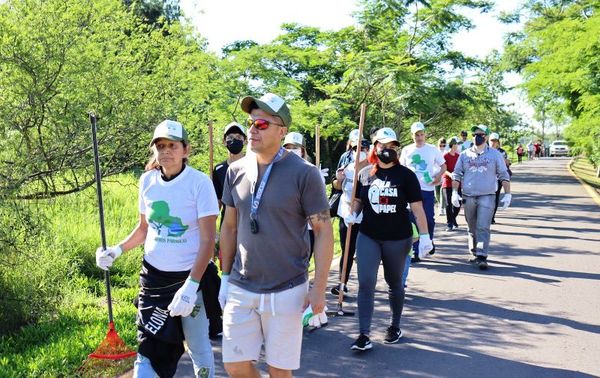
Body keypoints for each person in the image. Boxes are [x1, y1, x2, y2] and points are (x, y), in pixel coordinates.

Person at [218, 93, 334, 377]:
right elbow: (230, 226)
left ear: (282, 131)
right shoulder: (235, 171)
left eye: (261, 123)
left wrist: (318, 286)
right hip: (241, 285)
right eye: (250, 123)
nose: (252, 129)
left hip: (287, 289)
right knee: (235, 366)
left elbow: (323, 231)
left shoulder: (305, 174)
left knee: (279, 371)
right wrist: (223, 277)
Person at [95, 120, 219, 377]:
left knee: (198, 346)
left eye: (172, 145)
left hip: (190, 281)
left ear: (186, 149)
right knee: (148, 347)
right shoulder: (147, 181)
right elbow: (143, 229)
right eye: (160, 146)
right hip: (153, 281)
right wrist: (115, 251)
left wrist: (191, 285)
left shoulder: (200, 183)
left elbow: (208, 240)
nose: (165, 151)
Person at [344, 127, 432, 351]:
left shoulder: (407, 176)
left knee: (394, 283)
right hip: (369, 235)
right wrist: (352, 213)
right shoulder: (365, 174)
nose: (388, 150)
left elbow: (417, 207)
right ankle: (363, 334)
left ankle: (394, 326)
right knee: (365, 283)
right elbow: (358, 200)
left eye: (393, 146)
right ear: (375, 147)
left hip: (398, 238)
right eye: (383, 145)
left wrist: (424, 236)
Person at [451, 124, 511, 270]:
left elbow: (503, 174)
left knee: (482, 226)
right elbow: (457, 174)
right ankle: (474, 252)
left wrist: (507, 193)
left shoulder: (495, 155)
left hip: (487, 196)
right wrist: (454, 192)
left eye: (480, 134)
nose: (477, 137)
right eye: (475, 134)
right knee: (472, 227)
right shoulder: (465, 154)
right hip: (469, 195)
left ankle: (482, 256)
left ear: (486, 137)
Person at [399, 121, 446, 262]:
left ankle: (428, 241)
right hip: (411, 191)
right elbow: (401, 168)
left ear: (425, 134)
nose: (419, 137)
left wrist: (438, 177)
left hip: (427, 189)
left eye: (421, 134)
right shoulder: (407, 150)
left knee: (429, 219)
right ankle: (416, 249)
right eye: (416, 135)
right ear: (412, 135)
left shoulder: (432, 149)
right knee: (413, 220)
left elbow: (443, 165)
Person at [330, 134, 370, 296]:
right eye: (356, 148)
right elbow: (337, 187)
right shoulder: (347, 168)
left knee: (365, 252)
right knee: (347, 249)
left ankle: (366, 285)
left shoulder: (373, 168)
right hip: (346, 214)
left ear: (368, 150)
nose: (359, 151)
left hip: (365, 216)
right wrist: (339, 180)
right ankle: (342, 283)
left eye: (362, 148)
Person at [489, 133, 512, 224]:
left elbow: (507, 163)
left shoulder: (502, 152)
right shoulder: (485, 151)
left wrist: (504, 161)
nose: (493, 143)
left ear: (498, 142)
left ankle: (492, 217)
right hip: (488, 178)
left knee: (495, 196)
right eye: (492, 140)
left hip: (498, 178)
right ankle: (486, 216)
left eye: (495, 141)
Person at [442, 137, 461, 231]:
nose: (458, 145)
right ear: (453, 145)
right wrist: (450, 174)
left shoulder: (459, 156)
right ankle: (449, 223)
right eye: (457, 144)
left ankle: (453, 219)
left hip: (457, 184)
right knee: (449, 204)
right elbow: (444, 169)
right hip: (447, 184)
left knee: (458, 204)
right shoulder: (445, 156)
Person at [436, 138, 447, 216]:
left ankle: (442, 208)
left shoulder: (446, 153)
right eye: (441, 145)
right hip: (435, 174)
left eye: (444, 145)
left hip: (443, 174)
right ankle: (440, 203)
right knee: (436, 193)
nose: (442, 146)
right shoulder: (435, 151)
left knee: (442, 191)